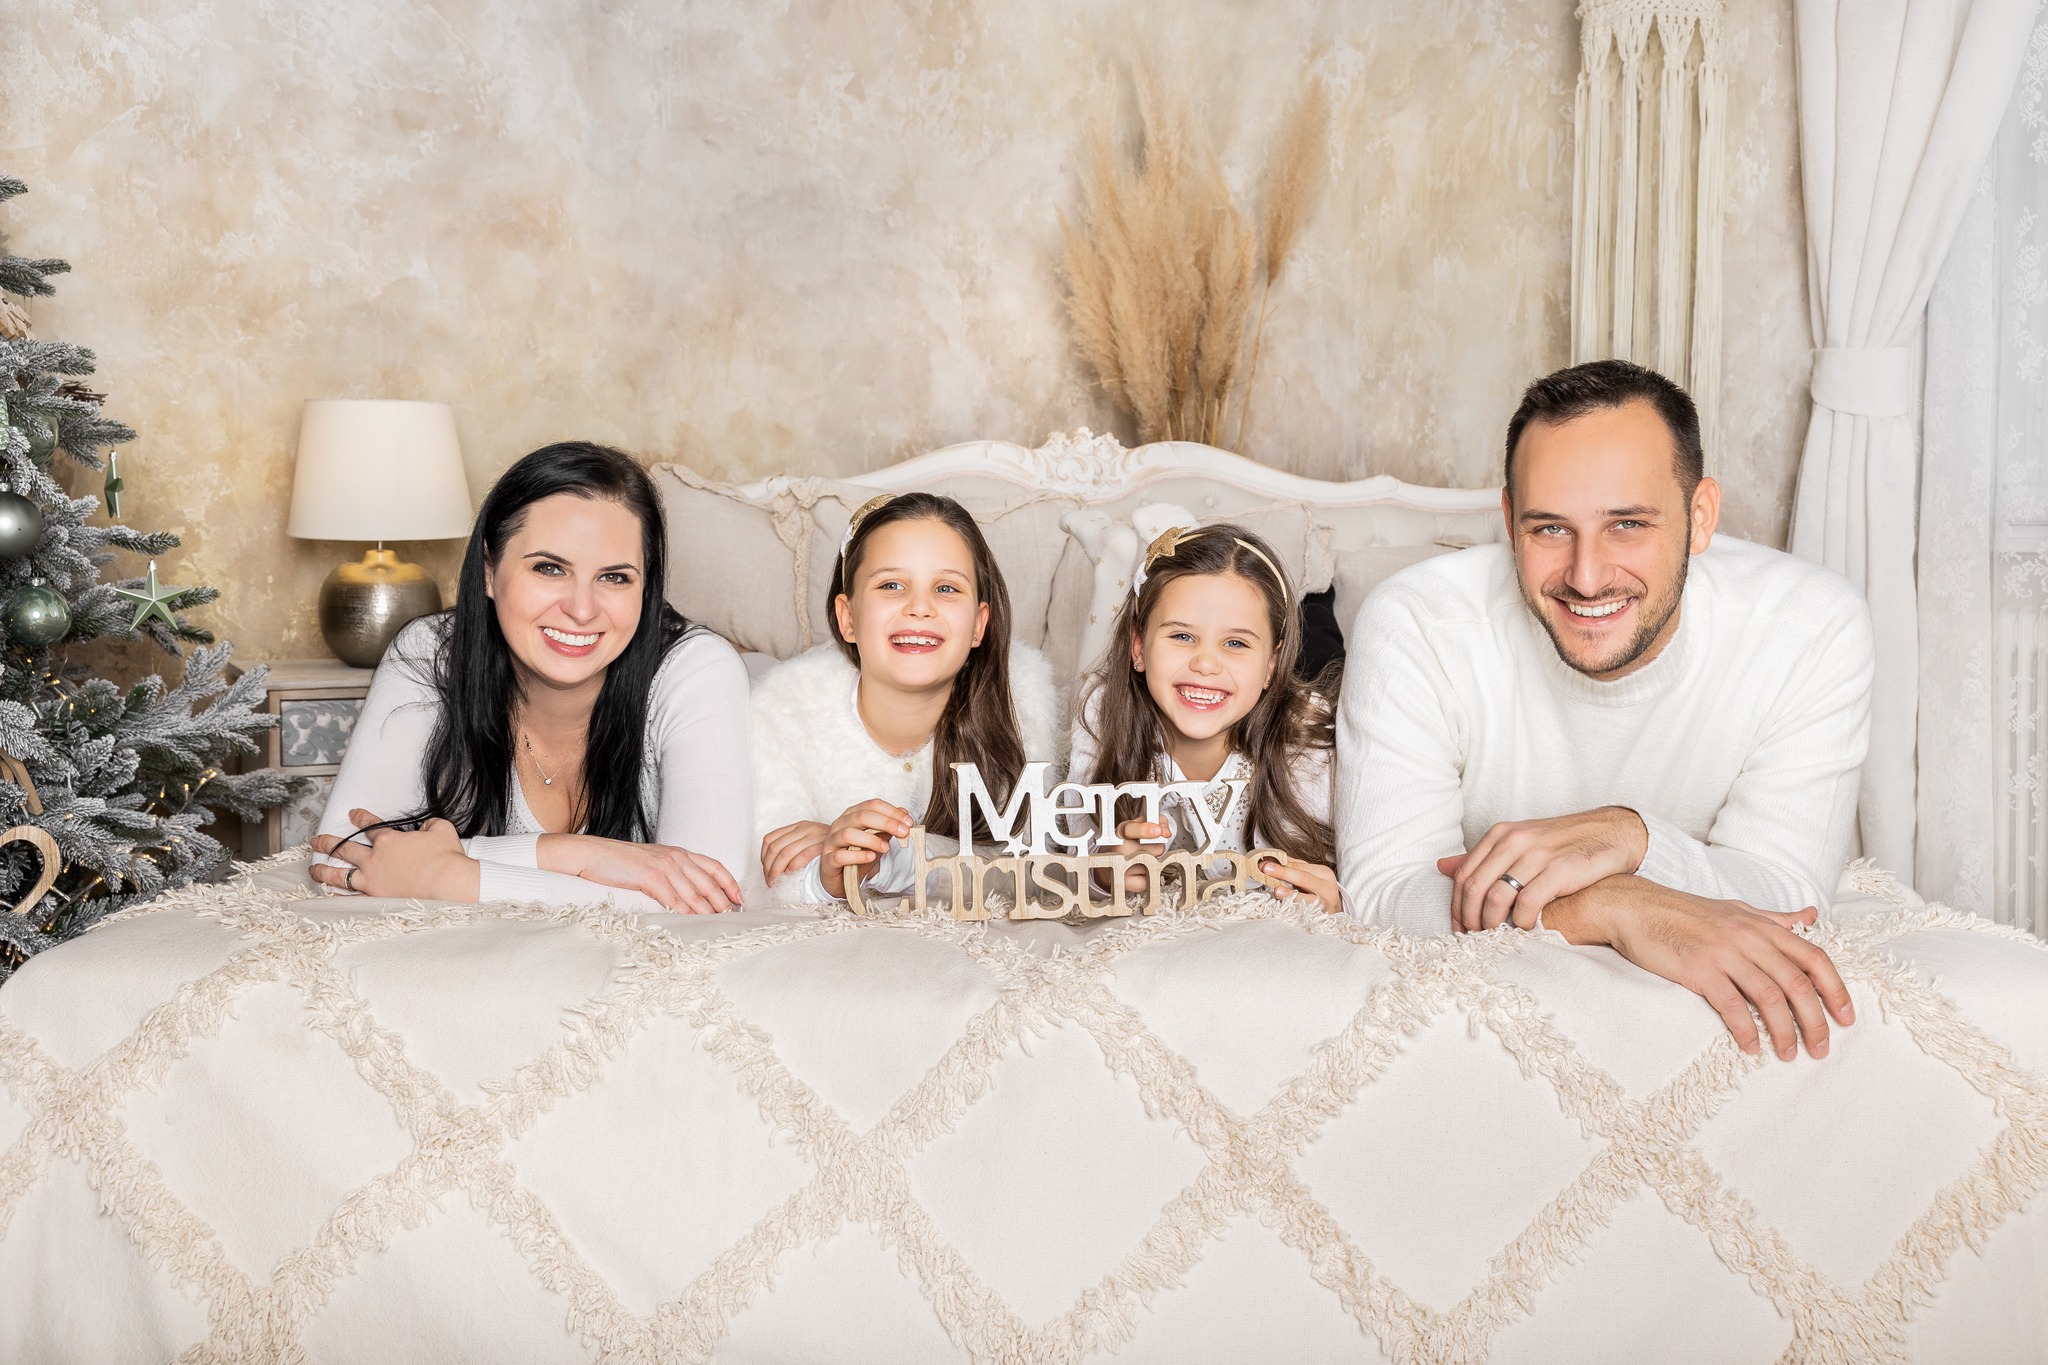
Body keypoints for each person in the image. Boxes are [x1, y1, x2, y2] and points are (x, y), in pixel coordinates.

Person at [1337, 359, 1874, 1061]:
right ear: (1509, 520)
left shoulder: (1812, 625)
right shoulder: (1415, 621)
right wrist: (1613, 906)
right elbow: (1381, 894)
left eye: (1627, 524)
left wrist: (1632, 837)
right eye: (1549, 529)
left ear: (1700, 516)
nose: (1586, 578)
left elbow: (1788, 893)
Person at [309, 441, 751, 913]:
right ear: (489, 570)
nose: (582, 610)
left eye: (615, 577)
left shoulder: (697, 667)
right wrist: (579, 854)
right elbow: (340, 859)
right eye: (549, 568)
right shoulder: (431, 650)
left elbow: (705, 896)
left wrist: (454, 876)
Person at [751, 492, 1056, 902]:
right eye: (891, 585)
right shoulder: (780, 711)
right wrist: (827, 871)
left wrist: (892, 860)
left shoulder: (1020, 694)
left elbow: (1031, 868)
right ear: (847, 617)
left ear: (978, 625)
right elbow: (772, 877)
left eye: (946, 588)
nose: (920, 607)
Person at [1069, 522, 1341, 908]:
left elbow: (1351, 873)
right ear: (1138, 647)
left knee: (1323, 641)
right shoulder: (1103, 707)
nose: (1206, 663)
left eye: (1236, 642)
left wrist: (1335, 900)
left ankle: (1317, 600)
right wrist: (1102, 872)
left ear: (1271, 664)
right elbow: (1074, 857)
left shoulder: (1308, 730)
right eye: (1182, 636)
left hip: (1295, 692)